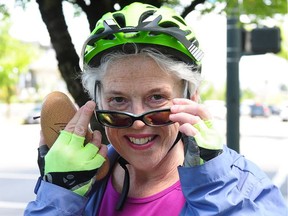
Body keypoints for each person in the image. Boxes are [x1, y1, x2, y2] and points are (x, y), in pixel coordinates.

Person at [24, 2, 287, 215]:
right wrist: (58, 194)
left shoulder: (243, 188)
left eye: (157, 98)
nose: (138, 121)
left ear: (192, 97)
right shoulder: (80, 187)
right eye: (118, 101)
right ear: (96, 103)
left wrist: (215, 191)